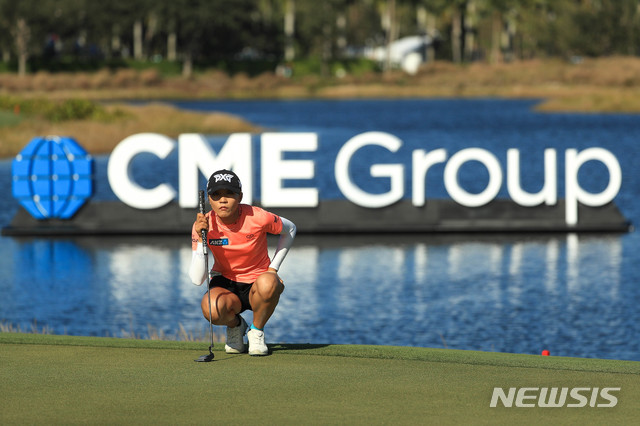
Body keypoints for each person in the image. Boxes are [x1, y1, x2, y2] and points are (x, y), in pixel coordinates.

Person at [188, 169, 296, 356]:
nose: (223, 199)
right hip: (225, 282)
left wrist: (273, 268)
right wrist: (200, 238)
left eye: (230, 193)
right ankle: (236, 326)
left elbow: (291, 229)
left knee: (269, 282)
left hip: (258, 282)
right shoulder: (203, 225)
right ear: (209, 199)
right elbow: (198, 279)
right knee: (211, 308)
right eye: (216, 194)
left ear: (240, 197)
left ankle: (256, 330)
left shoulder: (258, 216)